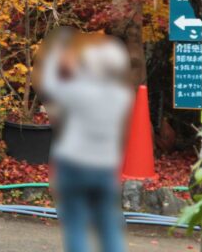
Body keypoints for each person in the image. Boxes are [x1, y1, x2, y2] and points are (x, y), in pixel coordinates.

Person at [38, 29, 134, 252]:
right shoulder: (122, 96)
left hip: (73, 164)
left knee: (75, 226)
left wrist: (56, 53)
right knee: (109, 227)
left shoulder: (79, 91)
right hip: (105, 167)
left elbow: (50, 85)